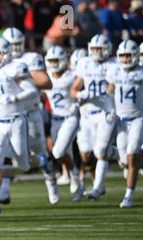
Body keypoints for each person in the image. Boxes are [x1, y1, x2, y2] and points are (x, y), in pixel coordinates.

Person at [2, 27, 60, 205]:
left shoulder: (31, 58)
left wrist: (23, 78)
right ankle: (2, 191)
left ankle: (50, 178)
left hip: (30, 113)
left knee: (38, 152)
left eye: (18, 44)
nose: (15, 48)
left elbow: (46, 82)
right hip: (8, 114)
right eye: (11, 44)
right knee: (4, 152)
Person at [0, 37, 37, 214]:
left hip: (16, 120)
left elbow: (32, 91)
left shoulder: (15, 68)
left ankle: (42, 160)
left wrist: (14, 98)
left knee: (24, 165)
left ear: (7, 54)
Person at [70, 34, 117, 200]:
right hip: (87, 115)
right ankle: (116, 154)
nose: (97, 52)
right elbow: (73, 89)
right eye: (94, 49)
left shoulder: (114, 64)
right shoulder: (84, 63)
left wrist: (99, 95)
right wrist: (81, 94)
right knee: (86, 155)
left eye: (100, 49)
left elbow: (112, 87)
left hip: (105, 113)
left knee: (100, 151)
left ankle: (98, 187)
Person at [42, 46, 82, 202]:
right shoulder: (45, 77)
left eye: (55, 60)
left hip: (70, 117)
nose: (53, 64)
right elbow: (42, 96)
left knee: (58, 152)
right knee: (64, 153)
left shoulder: (73, 75)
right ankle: (79, 186)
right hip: (55, 118)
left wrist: (78, 103)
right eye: (50, 61)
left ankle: (74, 174)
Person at [106, 39, 143, 208]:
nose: (126, 60)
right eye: (123, 56)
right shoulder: (114, 71)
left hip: (138, 119)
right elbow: (109, 91)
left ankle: (128, 195)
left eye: (129, 56)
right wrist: (108, 110)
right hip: (121, 121)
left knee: (131, 155)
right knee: (124, 161)